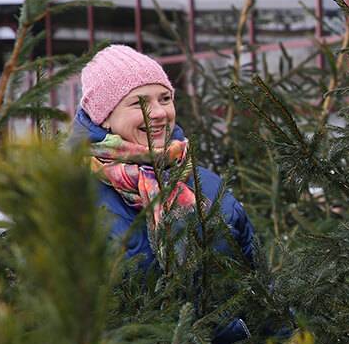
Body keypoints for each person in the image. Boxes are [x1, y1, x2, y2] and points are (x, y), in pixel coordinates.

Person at [72, 44, 256, 272]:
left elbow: (257, 281)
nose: (159, 113)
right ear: (104, 117)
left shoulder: (207, 185)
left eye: (165, 99)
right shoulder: (70, 193)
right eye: (140, 103)